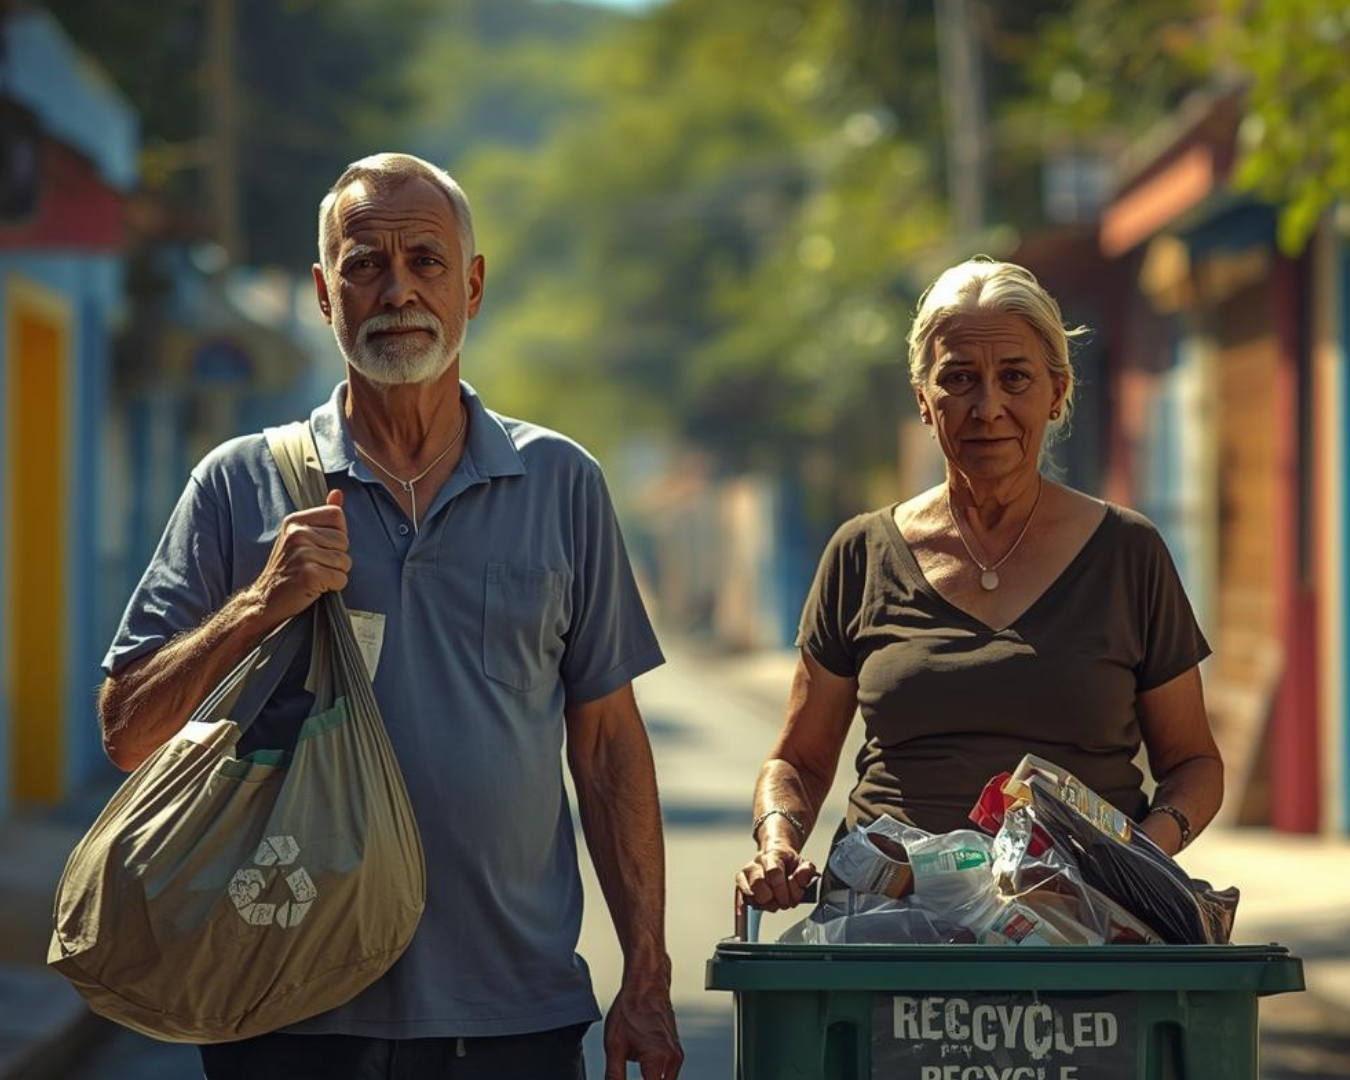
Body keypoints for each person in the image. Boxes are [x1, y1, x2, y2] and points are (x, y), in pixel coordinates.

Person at [99, 153, 683, 1080]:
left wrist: (646, 978)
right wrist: (260, 605)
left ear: (473, 286)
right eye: (366, 265)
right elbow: (128, 730)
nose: (398, 290)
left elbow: (608, 747)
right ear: (327, 295)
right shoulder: (239, 483)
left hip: (512, 1014)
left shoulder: (562, 483)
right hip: (283, 1009)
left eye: (426, 261)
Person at [736, 257, 1223, 915]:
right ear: (923, 400)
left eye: (1014, 378)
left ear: (1057, 393)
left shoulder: (1127, 554)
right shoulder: (862, 554)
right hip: (891, 923)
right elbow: (795, 762)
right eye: (959, 378)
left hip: (1082, 931)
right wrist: (778, 841)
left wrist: (1135, 860)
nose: (987, 407)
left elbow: (1194, 764)